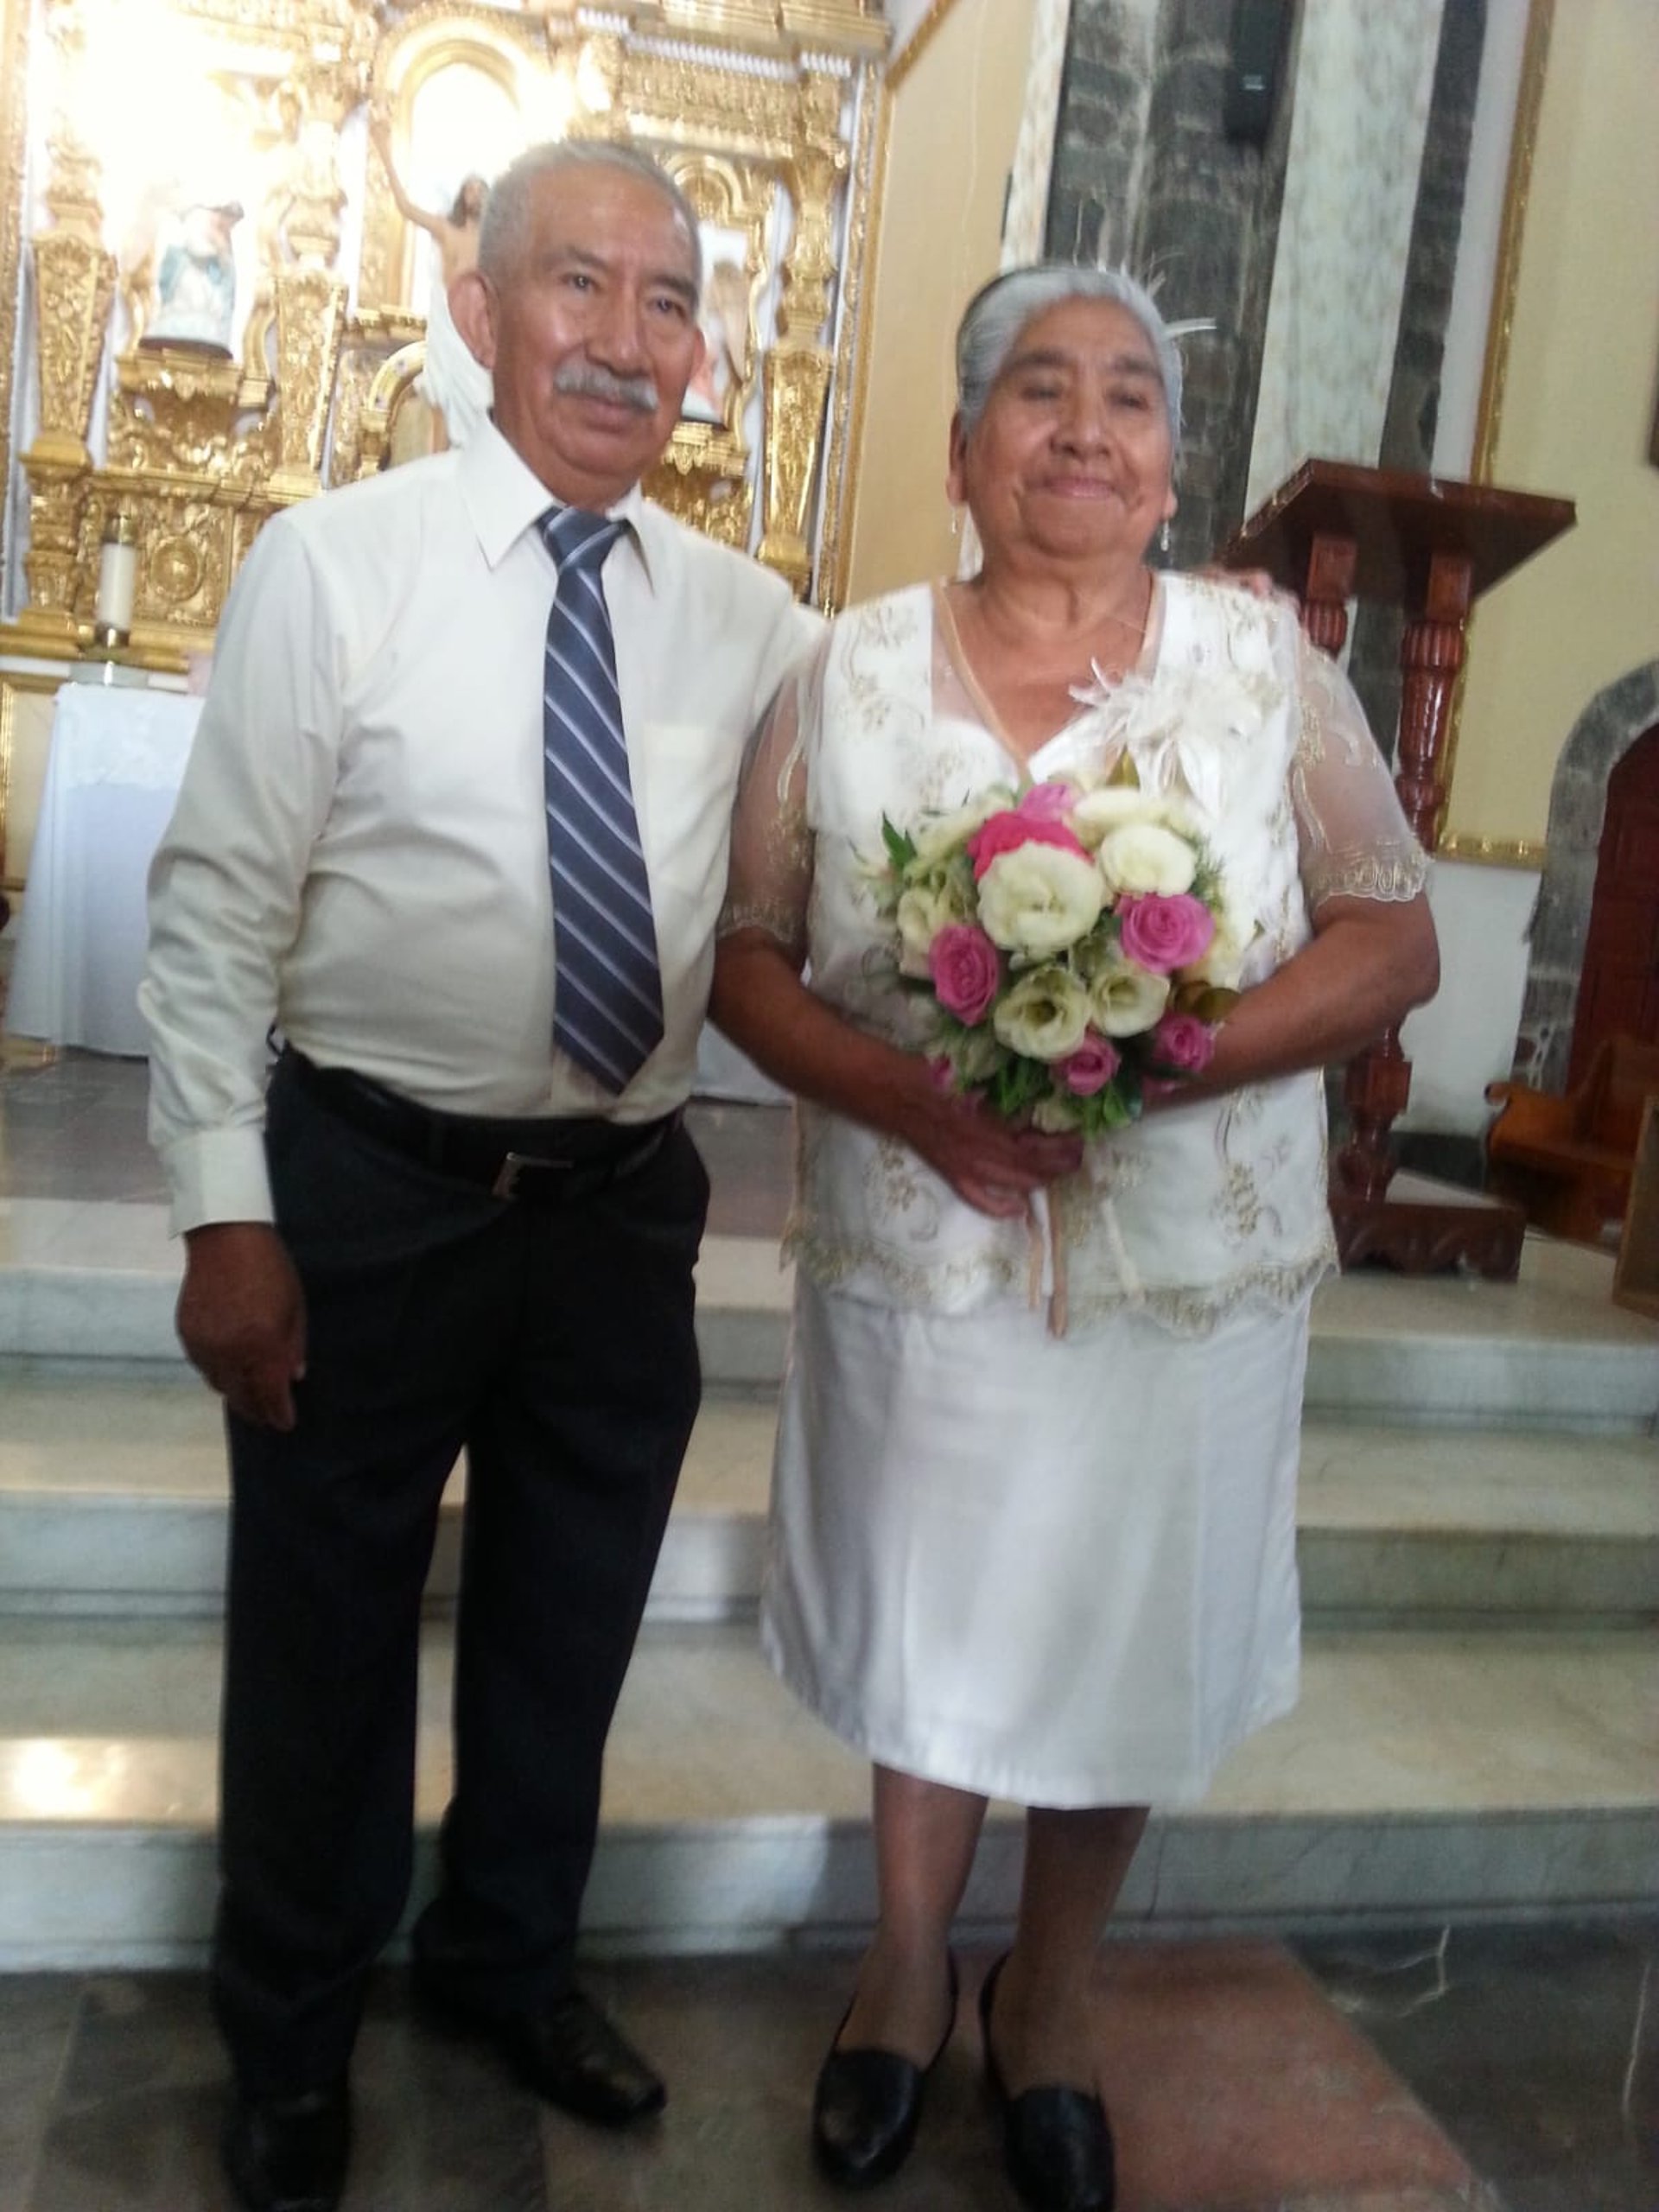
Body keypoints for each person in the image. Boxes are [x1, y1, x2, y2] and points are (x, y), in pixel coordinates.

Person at [709, 264, 1440, 2212]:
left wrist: (1161, 1061)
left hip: (1179, 1268)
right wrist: (916, 1097)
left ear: (1171, 467)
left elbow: (1391, 939)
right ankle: (898, 1974)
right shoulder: (842, 670)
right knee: (932, 1610)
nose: (1086, 430)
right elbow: (752, 960)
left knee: (1122, 1622)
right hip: (923, 1240)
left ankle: (1051, 1994)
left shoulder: (1262, 665)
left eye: (1129, 398)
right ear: (963, 447)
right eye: (1041, 391)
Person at [141, 138, 817, 2212]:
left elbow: (820, 889)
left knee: (566, 1624)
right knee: (325, 1634)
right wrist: (223, 1210)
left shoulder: (755, 619)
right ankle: (294, 2026)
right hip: (369, 1180)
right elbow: (211, 916)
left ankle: (509, 1961)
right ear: (478, 303)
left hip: (618, 1204)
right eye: (581, 287)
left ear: (706, 349)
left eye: (669, 299)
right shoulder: (334, 563)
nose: (628, 340)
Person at [369, 111, 493, 449]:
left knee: (481, 395)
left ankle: (472, 458)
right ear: (462, 198)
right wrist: (384, 152)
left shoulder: (496, 241)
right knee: (443, 390)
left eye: (480, 189)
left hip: (477, 327)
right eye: (469, 189)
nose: (474, 194)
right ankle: (439, 461)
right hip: (449, 322)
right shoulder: (446, 230)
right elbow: (406, 207)